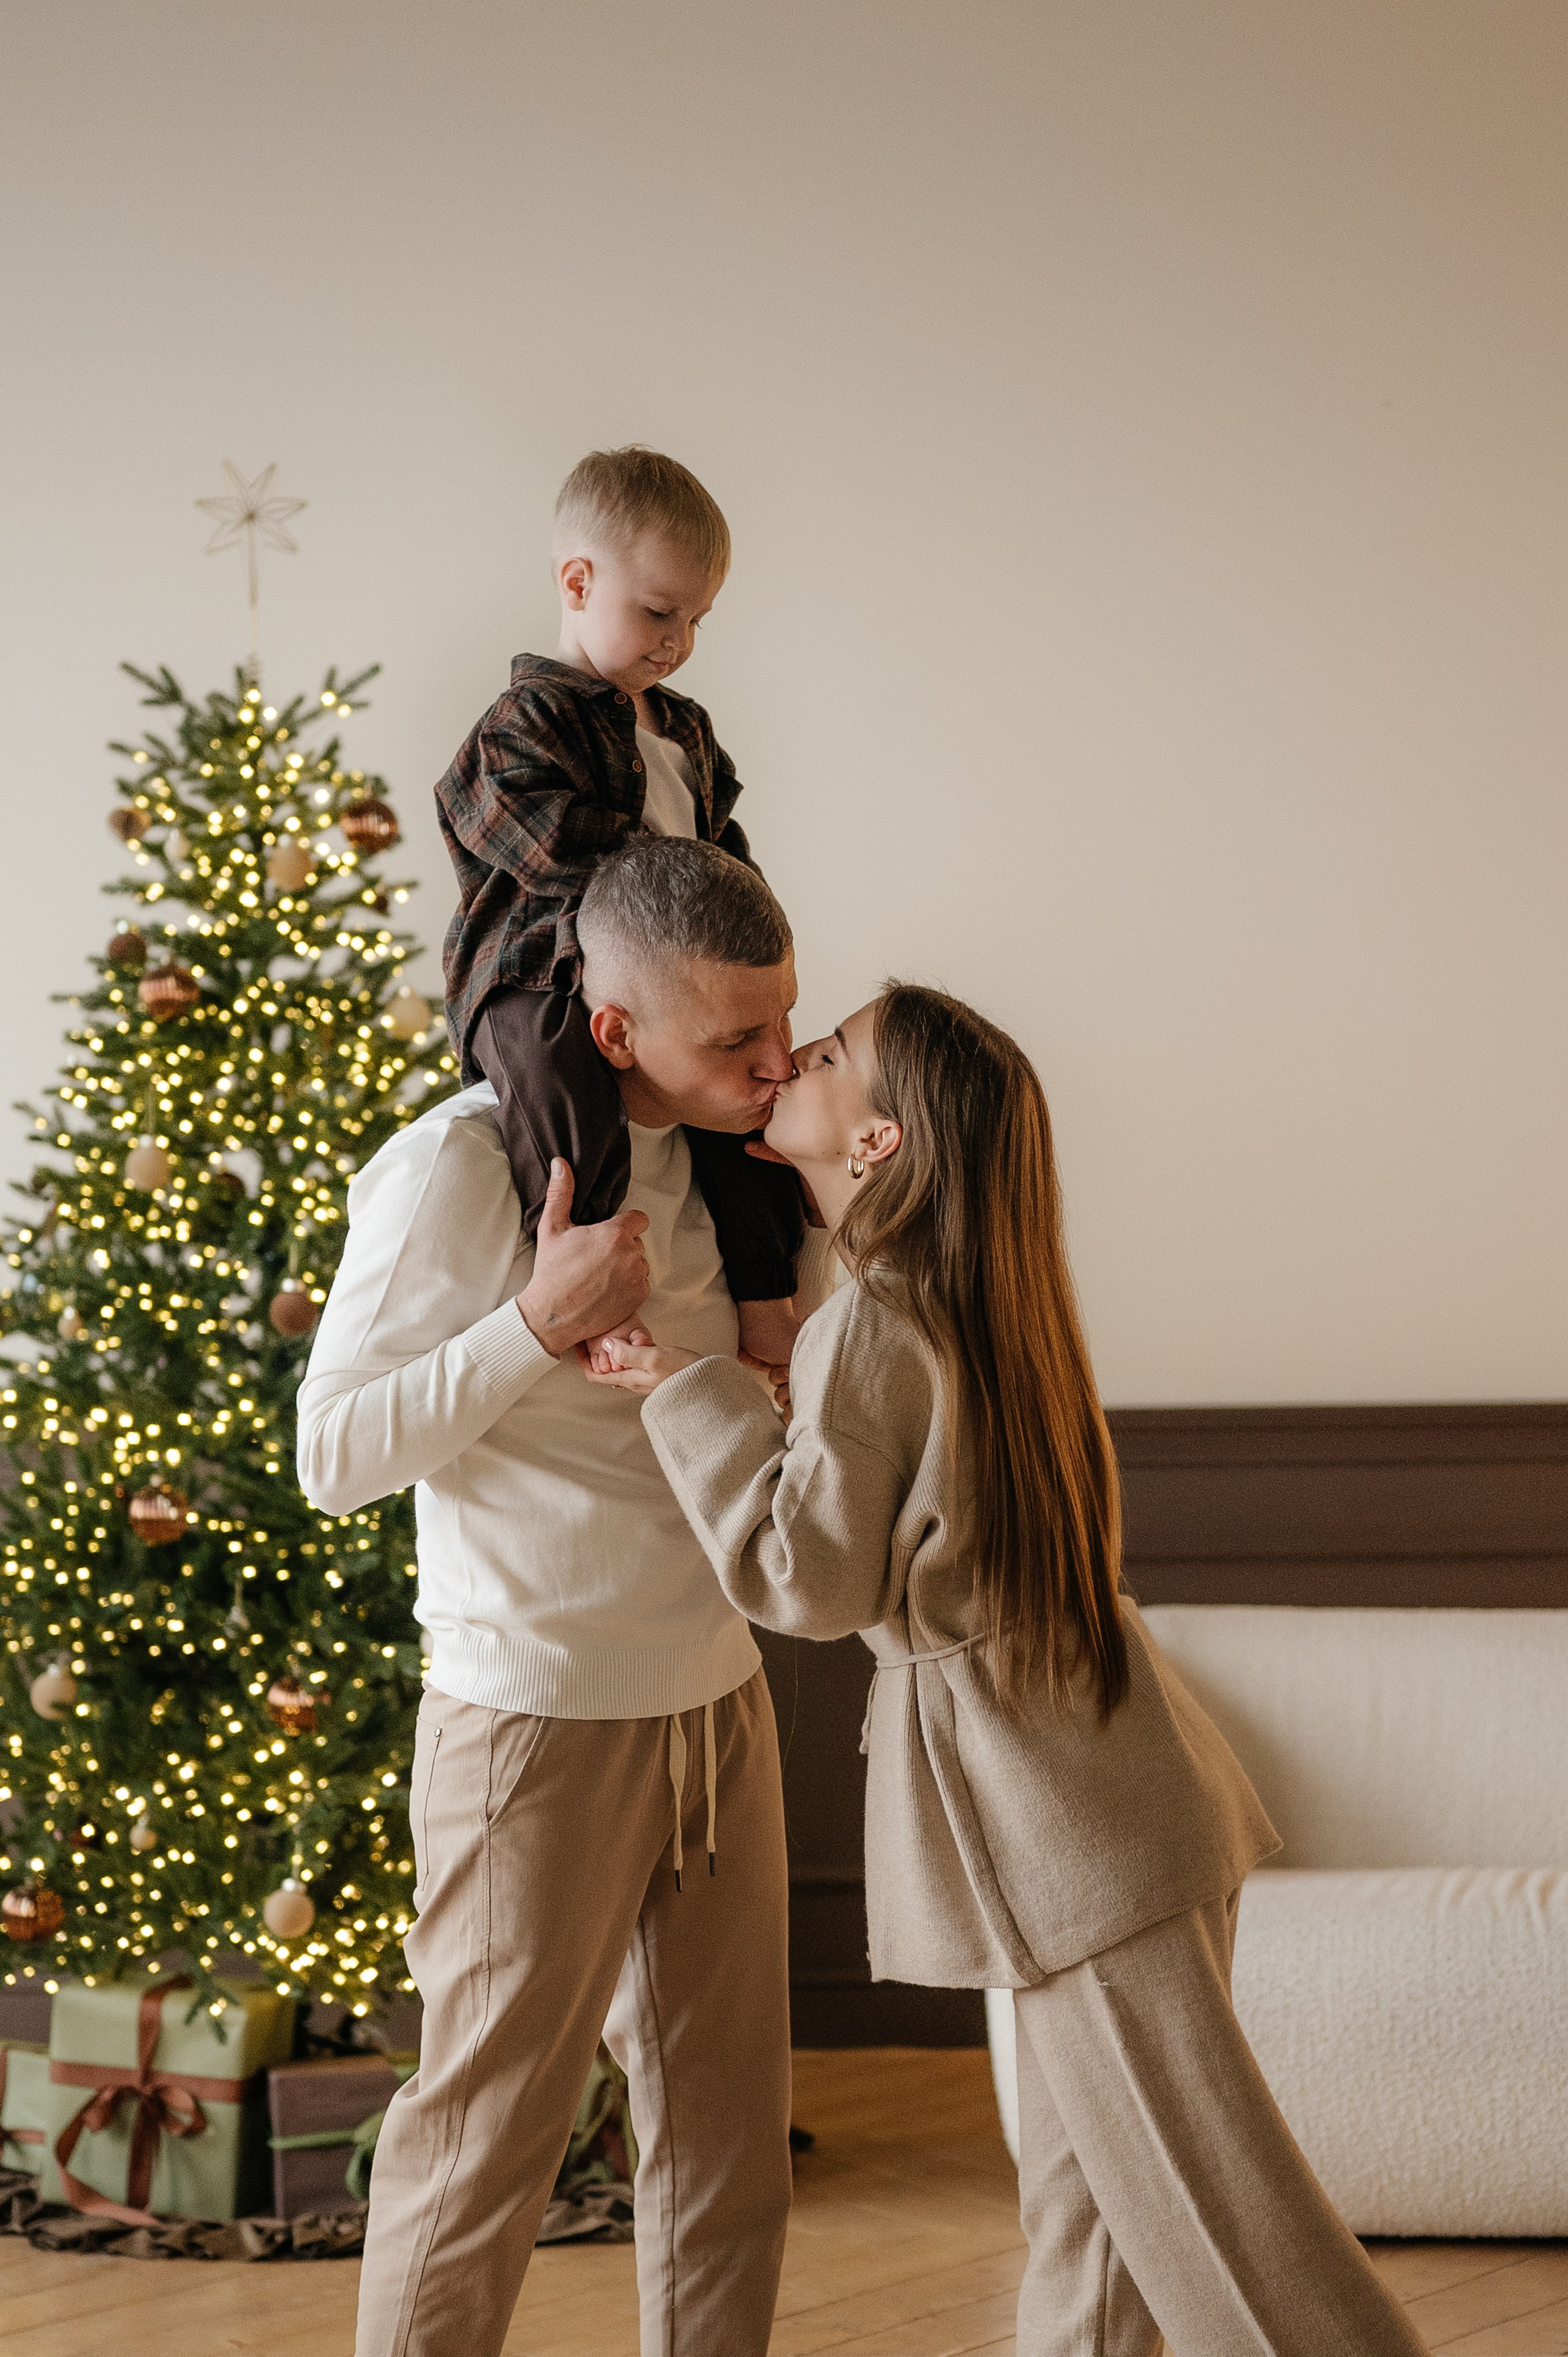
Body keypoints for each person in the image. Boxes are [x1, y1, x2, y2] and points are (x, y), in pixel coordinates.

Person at [587, 982, 1430, 2357]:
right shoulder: (967, 1297)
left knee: (1218, 2222)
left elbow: (808, 1580)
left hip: (1065, 1818)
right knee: (1094, 2219)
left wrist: (679, 1390)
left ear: (878, 1141)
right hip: (1111, 1793)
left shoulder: (874, 1318)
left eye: (827, 1053)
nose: (791, 1060)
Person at [298, 838, 829, 2357]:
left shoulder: (740, 1172)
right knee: (480, 2154)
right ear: (614, 1029)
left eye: (782, 1020)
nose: (772, 1063)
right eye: (733, 1038)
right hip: (530, 1722)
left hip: (716, 1700)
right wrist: (534, 1322)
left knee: (729, 2152)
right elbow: (331, 1455)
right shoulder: (459, 1165)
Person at [436, 442, 805, 1372]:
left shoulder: (682, 727)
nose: (677, 640)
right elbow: (528, 833)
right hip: (541, 975)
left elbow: (724, 846)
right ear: (578, 582)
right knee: (562, 1092)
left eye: (696, 620)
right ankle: (586, 1278)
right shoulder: (525, 721)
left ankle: (769, 1298)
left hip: (679, 980)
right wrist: (661, 883)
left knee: (749, 1095)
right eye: (659, 611)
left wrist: (741, 912)